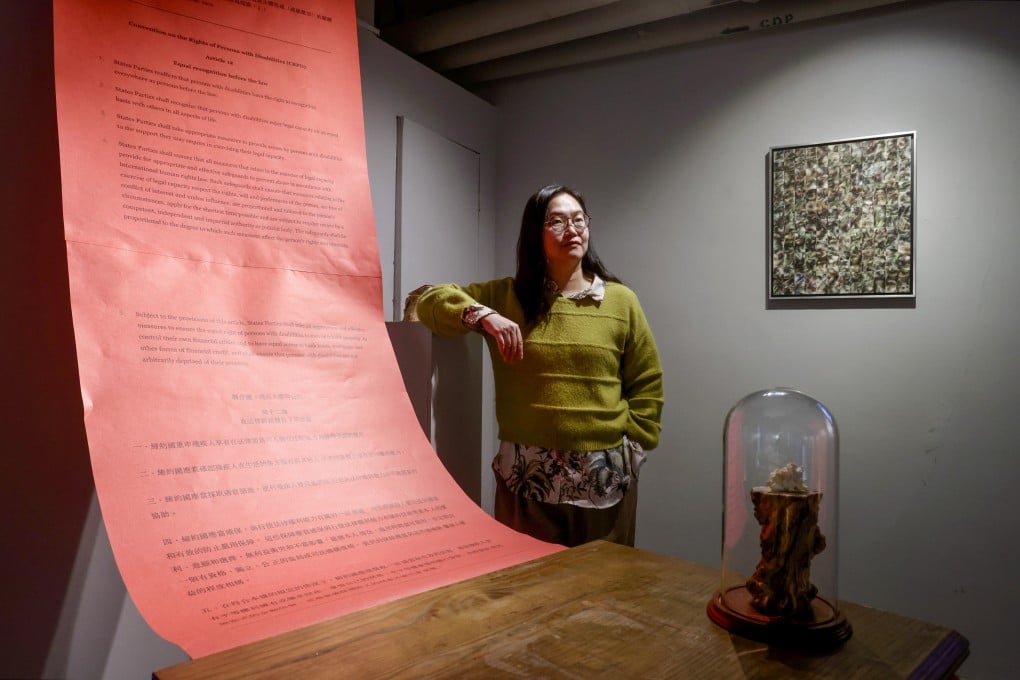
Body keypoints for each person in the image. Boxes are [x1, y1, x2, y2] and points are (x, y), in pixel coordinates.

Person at [415, 184, 663, 547]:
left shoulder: (621, 301)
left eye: (579, 220)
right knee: (529, 591)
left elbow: (646, 378)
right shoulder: (507, 296)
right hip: (527, 479)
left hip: (604, 480)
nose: (572, 229)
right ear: (535, 233)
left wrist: (634, 443)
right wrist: (484, 316)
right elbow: (429, 302)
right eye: (557, 221)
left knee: (606, 591)